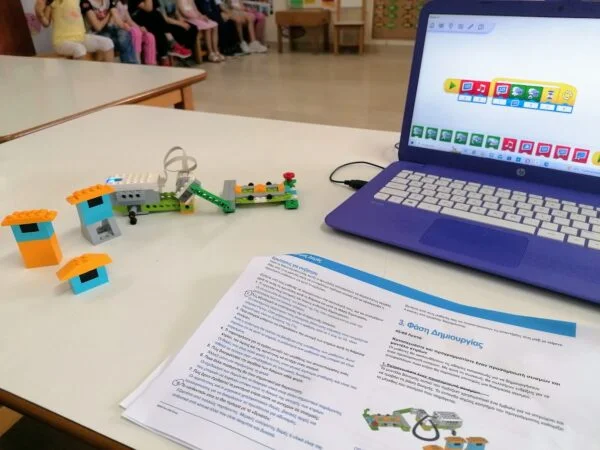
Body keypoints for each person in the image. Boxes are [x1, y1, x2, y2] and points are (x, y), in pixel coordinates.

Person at [35, 0, 114, 61]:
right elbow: (46, 23)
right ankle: (81, 77)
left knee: (108, 43)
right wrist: (39, 14)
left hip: (81, 38)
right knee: (80, 49)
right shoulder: (53, 2)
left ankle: (110, 75)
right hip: (61, 41)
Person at [128, 0, 192, 65]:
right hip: (135, 20)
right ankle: (170, 47)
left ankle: (166, 53)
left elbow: (159, 11)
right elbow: (148, 8)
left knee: (157, 19)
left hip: (153, 20)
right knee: (155, 18)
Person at [115, 0, 157, 64]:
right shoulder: (114, 3)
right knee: (136, 32)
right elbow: (114, 21)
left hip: (127, 26)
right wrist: (124, 25)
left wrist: (139, 28)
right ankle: (137, 60)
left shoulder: (124, 4)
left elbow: (129, 20)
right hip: (118, 28)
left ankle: (151, 63)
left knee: (149, 36)